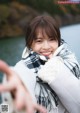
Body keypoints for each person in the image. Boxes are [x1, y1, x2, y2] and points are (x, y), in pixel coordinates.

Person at [0, 15, 80, 113]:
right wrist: (17, 88)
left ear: (58, 40)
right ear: (30, 43)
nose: (46, 47)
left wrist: (55, 70)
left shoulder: (69, 59)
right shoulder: (25, 66)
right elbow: (23, 75)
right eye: (39, 41)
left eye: (51, 39)